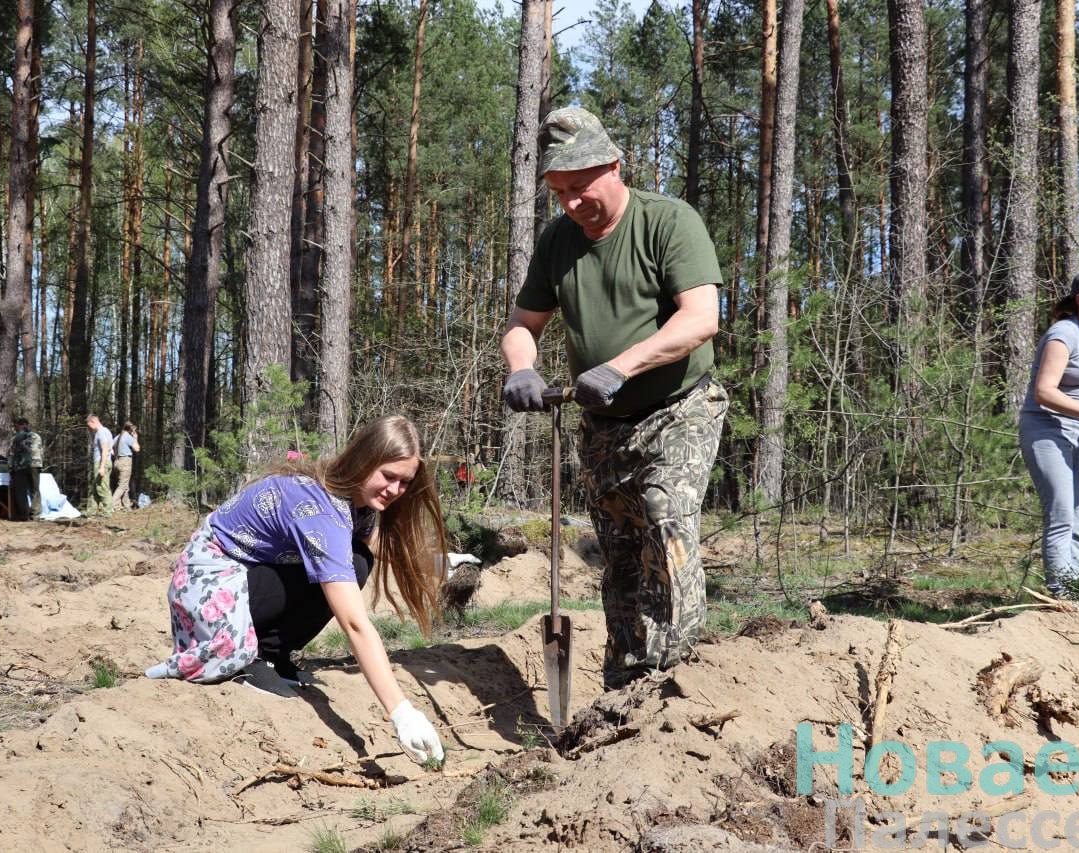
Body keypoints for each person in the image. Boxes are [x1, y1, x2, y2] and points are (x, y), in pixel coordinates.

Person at [500, 106, 728, 690]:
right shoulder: (558, 242)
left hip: (679, 408)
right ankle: (624, 685)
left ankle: (675, 680)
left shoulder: (668, 222)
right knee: (620, 552)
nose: (572, 202)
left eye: (581, 186)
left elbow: (701, 319)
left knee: (664, 517)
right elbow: (523, 323)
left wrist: (620, 367)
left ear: (614, 166)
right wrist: (522, 368)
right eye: (559, 192)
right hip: (604, 426)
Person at [146, 415, 447, 766]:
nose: (395, 490)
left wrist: (439, 564)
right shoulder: (319, 509)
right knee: (343, 571)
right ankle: (253, 659)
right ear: (364, 461)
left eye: (404, 482)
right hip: (207, 584)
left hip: (253, 575)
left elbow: (375, 544)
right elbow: (354, 624)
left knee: (357, 560)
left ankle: (274, 654)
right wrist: (401, 711)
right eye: (388, 476)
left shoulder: (358, 502)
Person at [1019, 266, 1079, 601]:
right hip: (1046, 428)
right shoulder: (1063, 334)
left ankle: (1072, 595)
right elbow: (1045, 392)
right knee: (1062, 514)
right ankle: (1062, 597)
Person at [7, 417, 44, 522]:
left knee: (24, 490)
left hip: (22, 466)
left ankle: (26, 514)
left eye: (18, 426)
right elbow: (40, 452)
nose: (19, 427)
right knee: (32, 490)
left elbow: (11, 454)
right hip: (33, 465)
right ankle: (32, 514)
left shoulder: (15, 438)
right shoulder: (36, 436)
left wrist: (10, 468)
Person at [85, 414, 114, 516]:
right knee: (94, 489)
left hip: (102, 462)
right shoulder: (107, 431)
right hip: (105, 462)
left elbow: (105, 449)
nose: (89, 428)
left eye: (89, 425)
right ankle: (91, 513)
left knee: (102, 488)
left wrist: (102, 467)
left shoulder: (101, 432)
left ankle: (107, 513)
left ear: (93, 421)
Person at [111, 421, 140, 510]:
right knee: (123, 485)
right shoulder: (128, 437)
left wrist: (116, 454)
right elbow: (137, 449)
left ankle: (126, 506)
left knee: (124, 485)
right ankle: (112, 504)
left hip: (116, 462)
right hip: (125, 461)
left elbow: (111, 449)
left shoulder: (117, 437)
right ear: (130, 430)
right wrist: (135, 438)